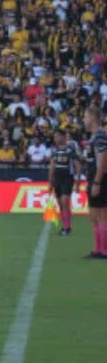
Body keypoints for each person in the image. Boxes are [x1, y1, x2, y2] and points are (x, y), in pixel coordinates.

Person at [85, 107, 107, 259]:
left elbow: (103, 159)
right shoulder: (95, 136)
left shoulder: (99, 136)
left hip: (99, 180)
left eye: (85, 117)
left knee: (101, 215)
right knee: (94, 216)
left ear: (92, 118)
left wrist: (97, 182)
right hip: (94, 178)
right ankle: (98, 249)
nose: (84, 120)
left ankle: (103, 250)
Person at [48, 130, 78, 236]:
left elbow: (77, 165)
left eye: (57, 137)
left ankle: (67, 227)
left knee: (65, 201)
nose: (55, 139)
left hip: (67, 178)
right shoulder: (54, 150)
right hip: (57, 179)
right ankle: (65, 226)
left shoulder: (70, 149)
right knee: (60, 204)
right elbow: (52, 166)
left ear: (63, 137)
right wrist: (50, 183)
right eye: (54, 137)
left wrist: (77, 181)